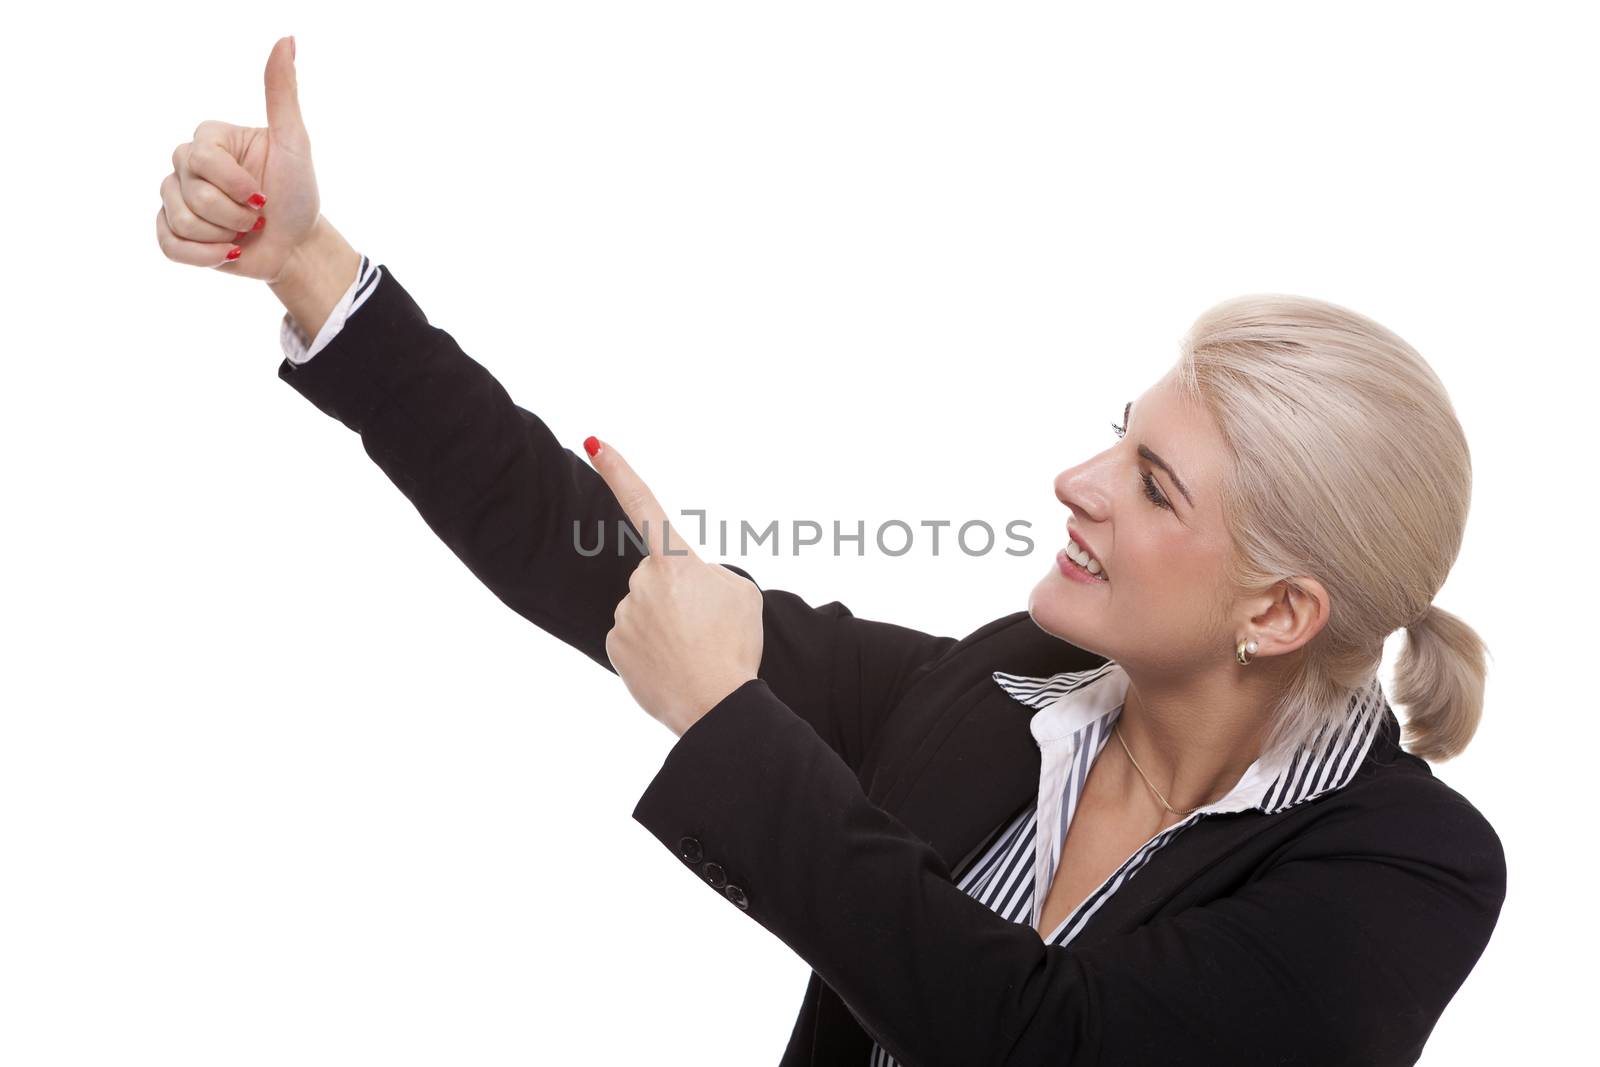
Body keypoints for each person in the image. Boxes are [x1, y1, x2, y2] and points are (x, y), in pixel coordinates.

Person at [155, 38, 1506, 1066]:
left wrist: (729, 720)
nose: (1075, 484)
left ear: (1277, 611)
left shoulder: (1409, 869)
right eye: (1116, 435)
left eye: (1151, 485)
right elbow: (589, 567)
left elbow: (1040, 1041)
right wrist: (311, 265)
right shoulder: (1007, 689)